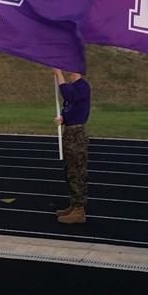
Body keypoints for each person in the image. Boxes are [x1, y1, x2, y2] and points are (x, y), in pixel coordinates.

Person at [53, 68, 91, 224]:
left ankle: (79, 210)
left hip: (77, 135)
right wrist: (63, 118)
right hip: (69, 132)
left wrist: (58, 74)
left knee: (76, 171)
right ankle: (74, 205)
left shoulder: (83, 86)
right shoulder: (73, 87)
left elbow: (70, 96)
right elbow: (70, 107)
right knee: (70, 170)